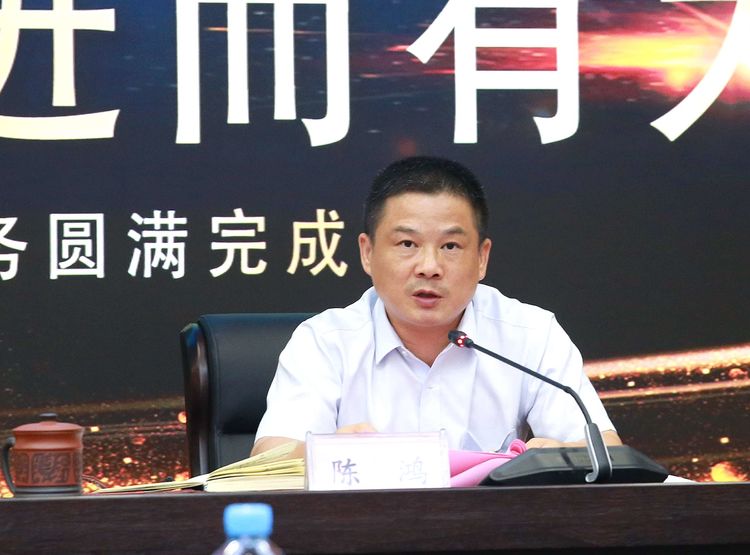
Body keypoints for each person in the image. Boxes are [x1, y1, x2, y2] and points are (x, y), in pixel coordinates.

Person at [252, 156, 621, 458]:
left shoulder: (531, 335)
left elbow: (607, 452)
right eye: (407, 244)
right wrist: (328, 454)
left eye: (450, 247)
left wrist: (559, 456)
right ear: (367, 252)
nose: (429, 266)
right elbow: (269, 461)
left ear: (482, 258)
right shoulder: (324, 342)